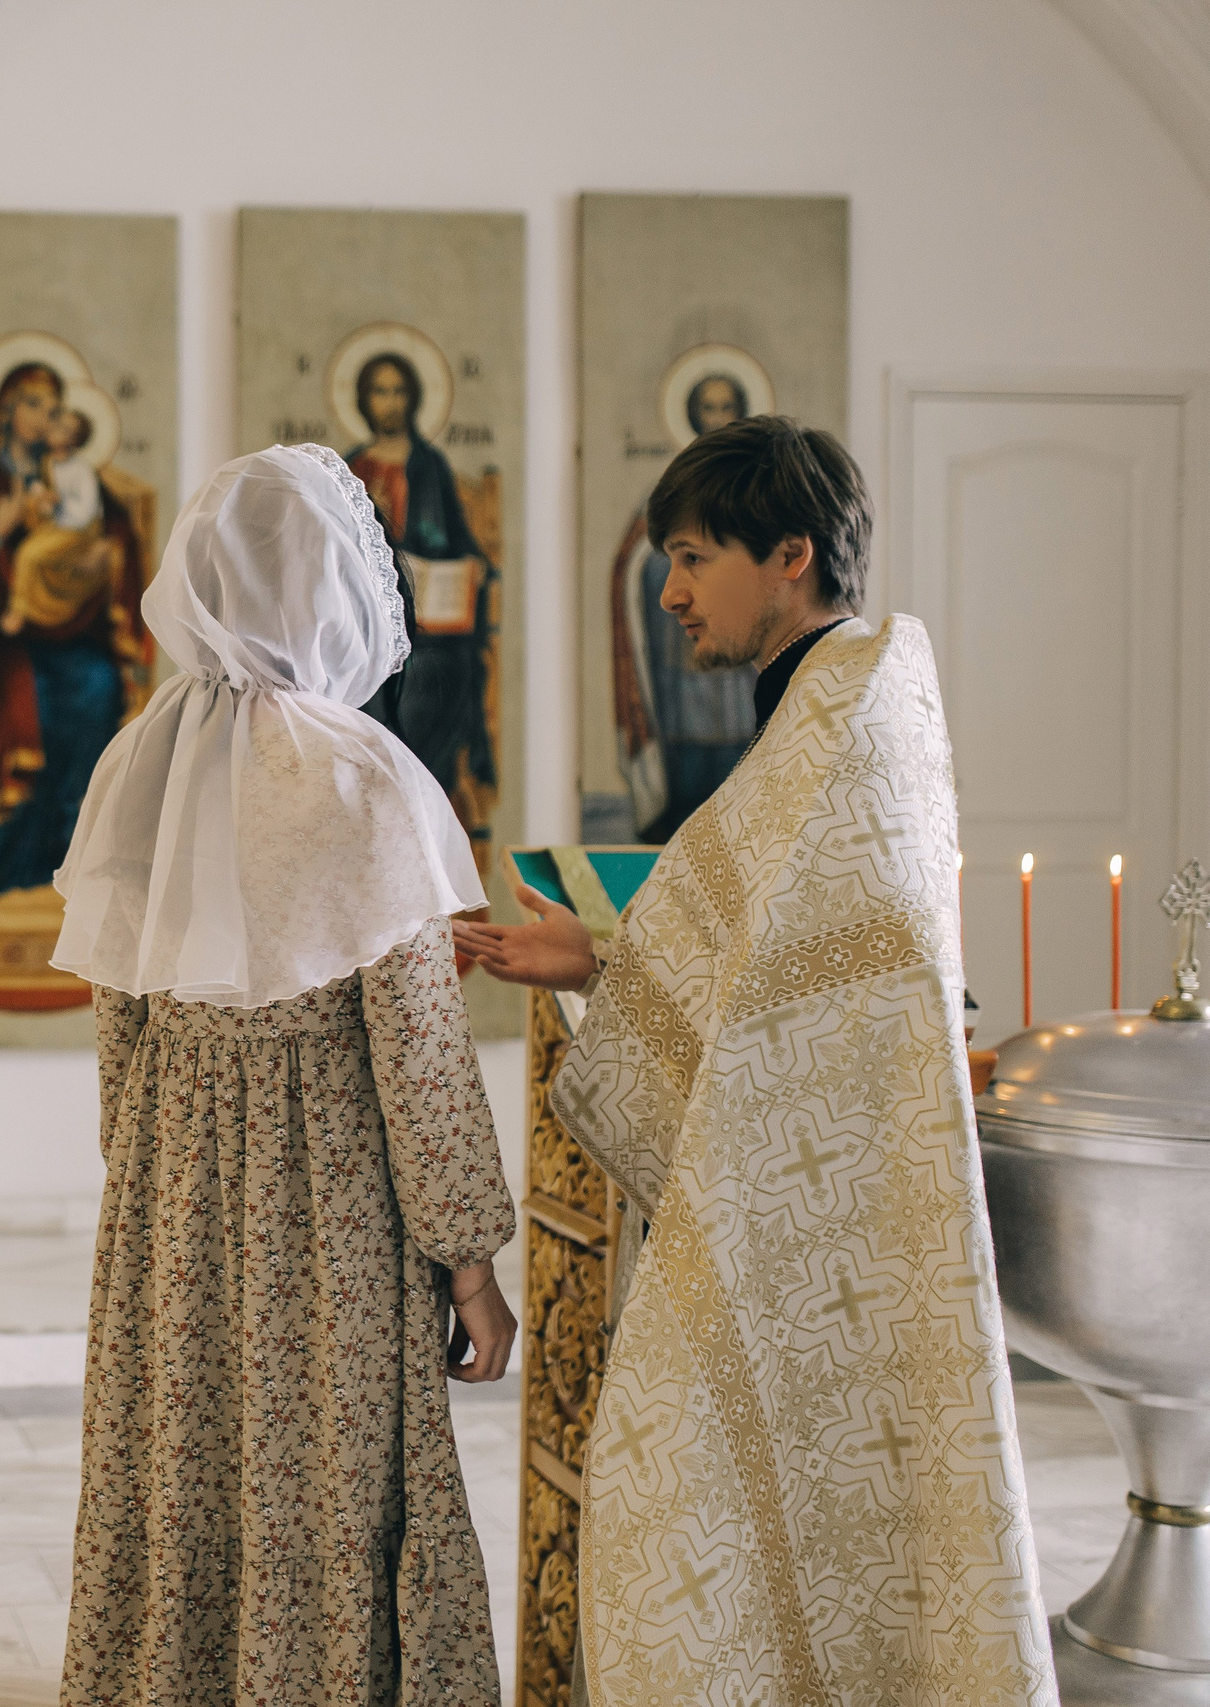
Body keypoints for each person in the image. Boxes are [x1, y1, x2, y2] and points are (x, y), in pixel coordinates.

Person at [456, 418, 1056, 1705]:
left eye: (689, 557)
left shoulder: (847, 724)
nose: (667, 593)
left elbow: (820, 976)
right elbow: (782, 954)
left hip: (826, 1220)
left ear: (788, 555)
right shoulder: (829, 718)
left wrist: (619, 958)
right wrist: (607, 958)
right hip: (811, 1207)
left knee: (677, 1486)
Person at [51, 443, 519, 1705]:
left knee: (181, 1470)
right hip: (329, 1220)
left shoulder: (137, 770)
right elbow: (418, 1061)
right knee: (326, 1485)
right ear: (336, 592)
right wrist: (470, 1263)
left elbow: (119, 1043)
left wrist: (163, 1179)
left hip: (170, 1207)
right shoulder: (367, 783)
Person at [0, 361, 150, 916]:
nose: (44, 417)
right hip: (6, 646)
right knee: (19, 713)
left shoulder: (73, 473)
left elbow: (117, 531)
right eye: (31, 404)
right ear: (4, 411)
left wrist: (110, 553)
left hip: (78, 640)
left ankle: (75, 864)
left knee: (100, 691)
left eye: (53, 408)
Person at [342, 352, 499, 858]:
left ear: (413, 398)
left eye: (398, 391)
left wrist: (473, 566)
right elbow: (335, 553)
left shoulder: (430, 466)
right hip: (375, 633)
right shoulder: (353, 467)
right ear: (364, 401)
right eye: (379, 392)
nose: (390, 403)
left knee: (441, 673)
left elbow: (458, 539)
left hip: (435, 636)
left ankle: (424, 821)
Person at [608, 371, 759, 840]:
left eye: (726, 408)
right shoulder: (669, 489)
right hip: (682, 664)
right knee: (688, 798)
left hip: (741, 671)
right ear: (693, 415)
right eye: (708, 409)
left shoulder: (758, 493)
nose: (717, 420)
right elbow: (633, 565)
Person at [0, 405, 118, 638]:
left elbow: (86, 512)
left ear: (74, 440)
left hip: (79, 532)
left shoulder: (81, 470)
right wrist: (40, 500)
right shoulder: (46, 463)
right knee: (24, 550)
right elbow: (39, 494)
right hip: (57, 527)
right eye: (56, 423)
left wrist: (58, 502)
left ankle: (18, 611)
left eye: (65, 429)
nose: (55, 429)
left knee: (29, 554)